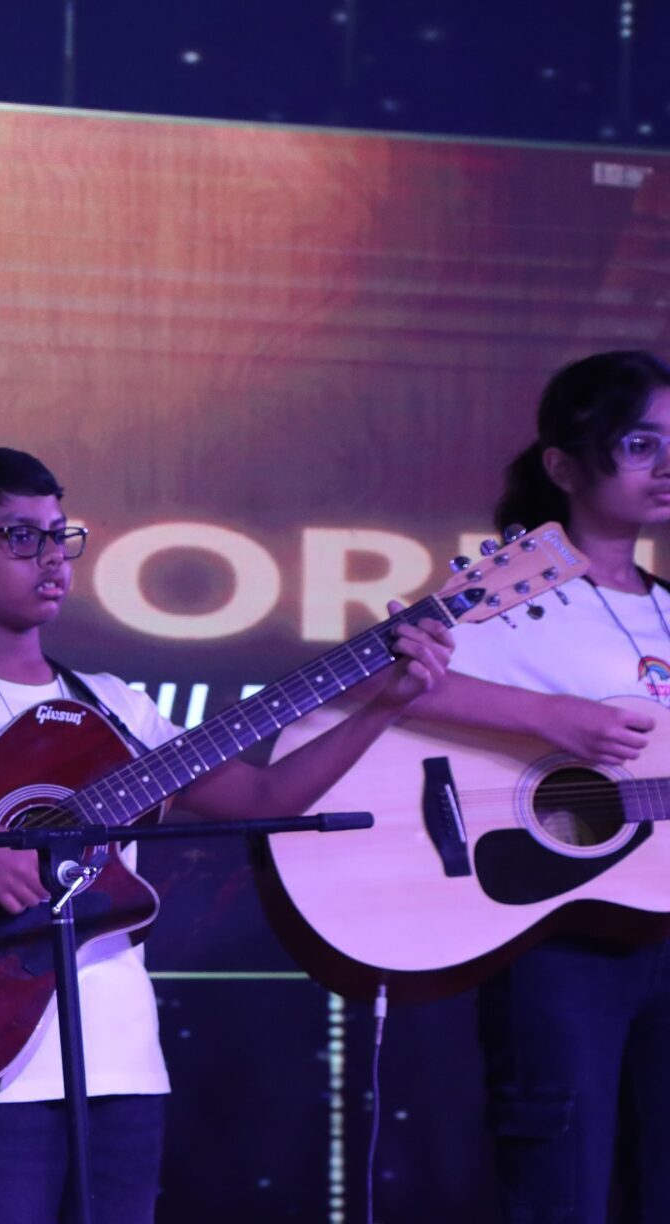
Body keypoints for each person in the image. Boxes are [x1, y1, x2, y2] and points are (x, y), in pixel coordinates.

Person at [0, 446, 452, 1224]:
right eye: (18, 537)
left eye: (59, 534)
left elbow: (264, 795)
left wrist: (387, 704)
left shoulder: (114, 706)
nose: (51, 557)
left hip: (123, 1062)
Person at [394, 350, 670, 1224]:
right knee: (562, 1190)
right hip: (557, 936)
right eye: (640, 444)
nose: (666, 465)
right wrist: (548, 717)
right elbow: (378, 680)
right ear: (564, 464)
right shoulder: (515, 586)